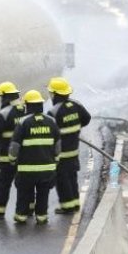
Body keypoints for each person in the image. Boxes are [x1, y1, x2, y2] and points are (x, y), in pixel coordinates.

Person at [10, 90, 60, 224]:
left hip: (26, 170)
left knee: (24, 193)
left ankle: (21, 217)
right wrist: (56, 159)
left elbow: (15, 146)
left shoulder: (23, 122)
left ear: (28, 105)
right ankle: (41, 217)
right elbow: (58, 145)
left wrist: (12, 159)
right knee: (43, 194)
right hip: (47, 169)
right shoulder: (51, 121)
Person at [49, 76, 91, 215]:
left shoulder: (54, 112)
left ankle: (67, 207)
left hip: (61, 153)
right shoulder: (76, 105)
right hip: (74, 150)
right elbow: (87, 118)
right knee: (72, 177)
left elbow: (50, 133)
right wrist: (76, 127)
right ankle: (75, 204)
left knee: (62, 180)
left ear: (55, 94)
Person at [0, 82, 26, 219]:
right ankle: (27, 211)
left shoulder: (4, 113)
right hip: (25, 157)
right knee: (25, 185)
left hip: (6, 159)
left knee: (3, 185)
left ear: (5, 97)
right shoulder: (25, 109)